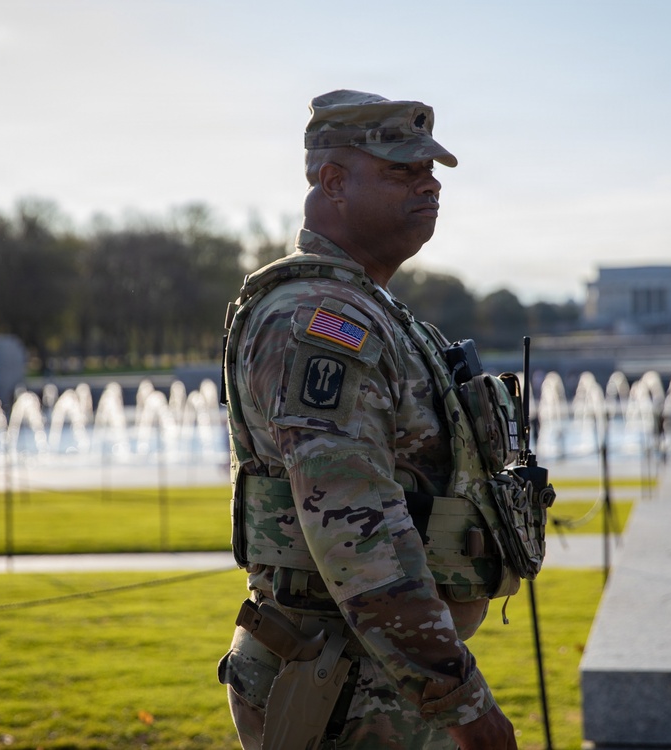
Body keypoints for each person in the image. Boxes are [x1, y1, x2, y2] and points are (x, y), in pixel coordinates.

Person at [217, 90, 521, 749]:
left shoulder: (367, 307)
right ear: (333, 182)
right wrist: (466, 707)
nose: (429, 186)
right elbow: (357, 529)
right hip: (345, 686)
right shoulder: (320, 323)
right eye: (401, 171)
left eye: (430, 171)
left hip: (374, 673)